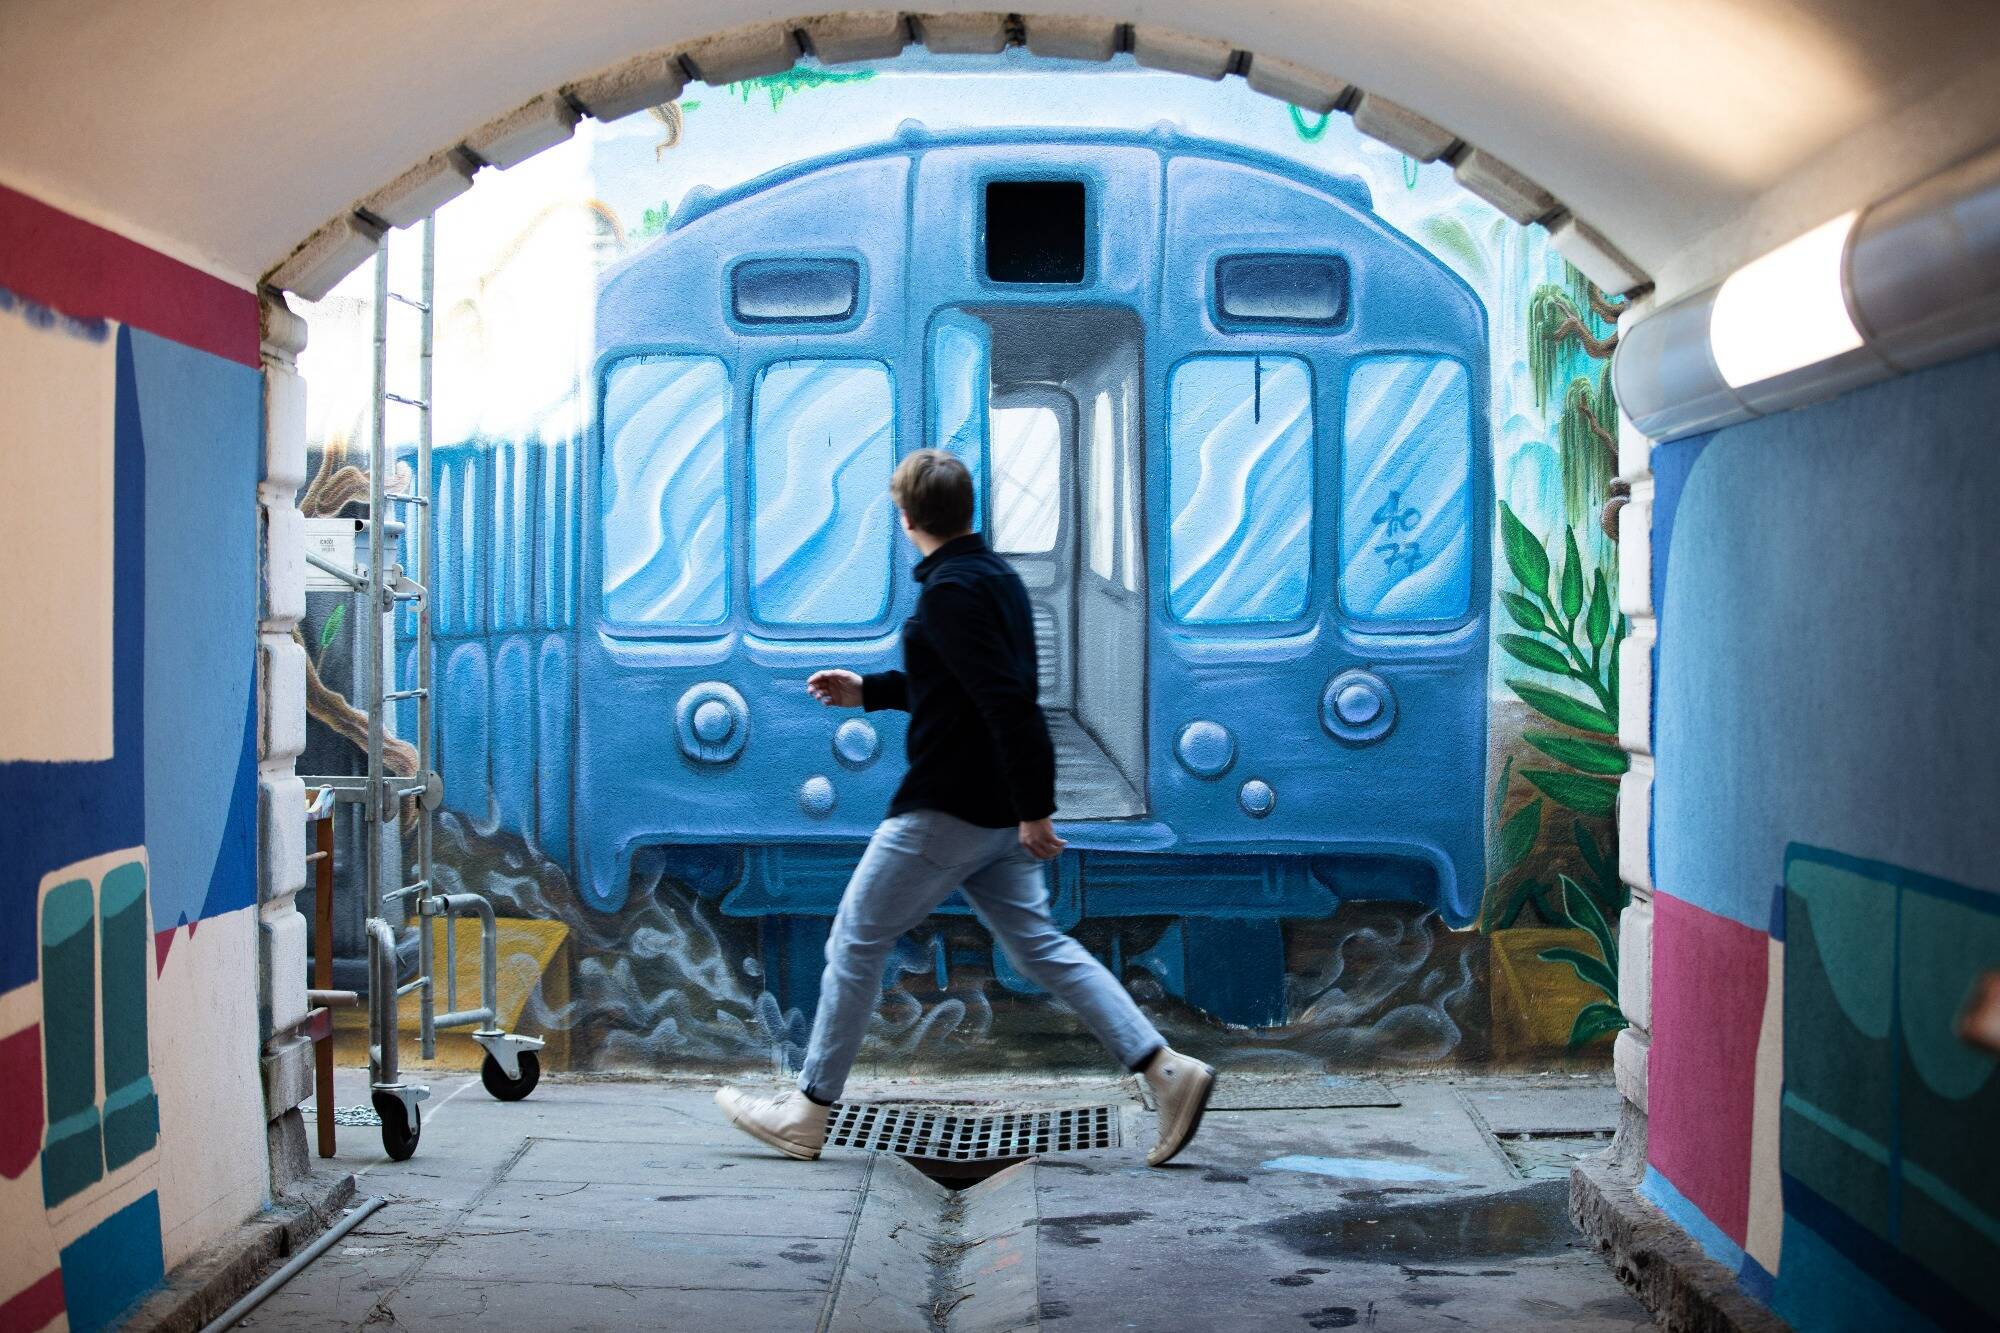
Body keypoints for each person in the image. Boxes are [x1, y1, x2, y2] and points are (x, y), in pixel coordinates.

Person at [716, 449, 1214, 1166]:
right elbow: (958, 682)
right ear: (966, 510)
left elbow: (1005, 700)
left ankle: (808, 1109)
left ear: (906, 517)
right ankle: (1167, 1070)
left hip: (951, 805)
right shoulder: (994, 577)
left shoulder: (950, 590)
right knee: (1040, 945)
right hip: (993, 812)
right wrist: (873, 690)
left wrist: (1038, 808)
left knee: (855, 939)